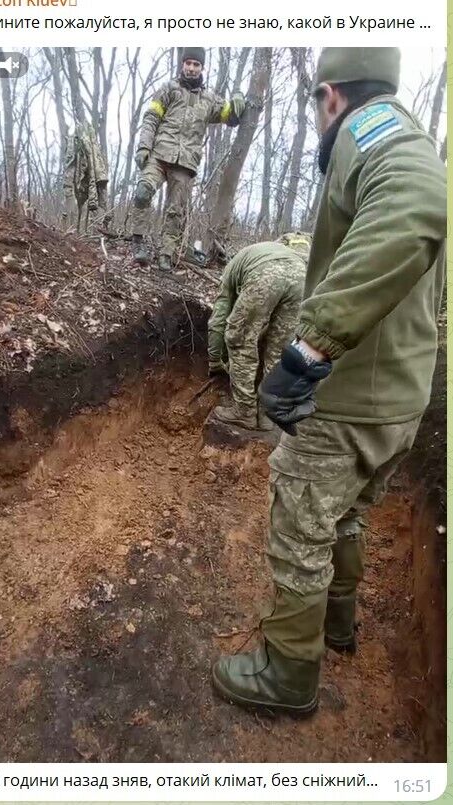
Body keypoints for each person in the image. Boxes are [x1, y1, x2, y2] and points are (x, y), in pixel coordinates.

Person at [212, 47, 446, 714]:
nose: (319, 119)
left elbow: (417, 204)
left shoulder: (369, 129)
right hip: (399, 400)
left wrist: (307, 351)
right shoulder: (411, 137)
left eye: (318, 105)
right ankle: (336, 624)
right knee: (346, 516)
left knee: (298, 530)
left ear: (332, 96)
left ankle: (287, 674)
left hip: (344, 401)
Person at [131, 48, 246, 272]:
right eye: (189, 63)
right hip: (159, 155)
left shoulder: (210, 99)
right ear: (182, 65)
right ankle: (138, 243)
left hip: (185, 163)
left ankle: (166, 254)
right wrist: (144, 146)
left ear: (202, 68)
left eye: (196, 64)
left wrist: (239, 100)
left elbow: (230, 117)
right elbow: (151, 118)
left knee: (175, 212)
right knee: (143, 191)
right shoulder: (168, 89)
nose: (192, 68)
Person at [207, 233, 311, 431]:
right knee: (279, 351)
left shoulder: (233, 268)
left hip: (267, 274)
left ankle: (244, 411)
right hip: (302, 277)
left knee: (239, 340)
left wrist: (214, 361)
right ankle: (266, 414)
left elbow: (218, 321)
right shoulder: (277, 253)